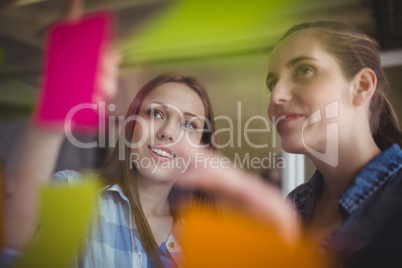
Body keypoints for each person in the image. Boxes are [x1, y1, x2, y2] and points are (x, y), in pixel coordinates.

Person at [175, 20, 402, 267]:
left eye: (304, 70)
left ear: (361, 87)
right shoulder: (294, 204)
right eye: (272, 83)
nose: (276, 95)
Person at [3, 71, 217, 268]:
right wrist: (55, 107)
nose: (168, 132)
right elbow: (16, 256)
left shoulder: (206, 238)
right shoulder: (72, 191)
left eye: (189, 125)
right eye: (156, 113)